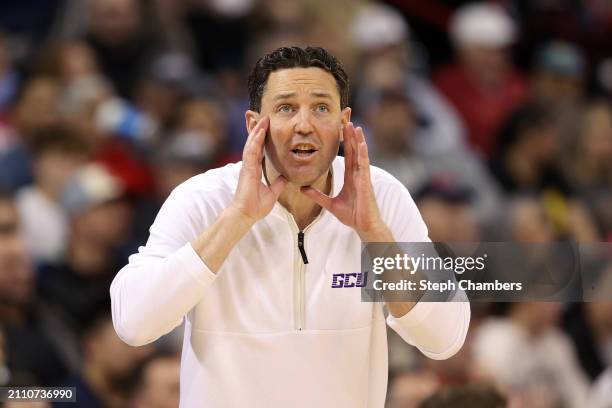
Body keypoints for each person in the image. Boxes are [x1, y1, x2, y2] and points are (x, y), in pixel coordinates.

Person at [111, 46, 470, 407]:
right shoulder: (202, 199)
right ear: (254, 125)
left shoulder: (381, 196)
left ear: (343, 123)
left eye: (321, 108)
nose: (304, 124)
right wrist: (235, 220)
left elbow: (445, 338)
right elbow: (134, 323)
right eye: (285, 108)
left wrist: (376, 236)